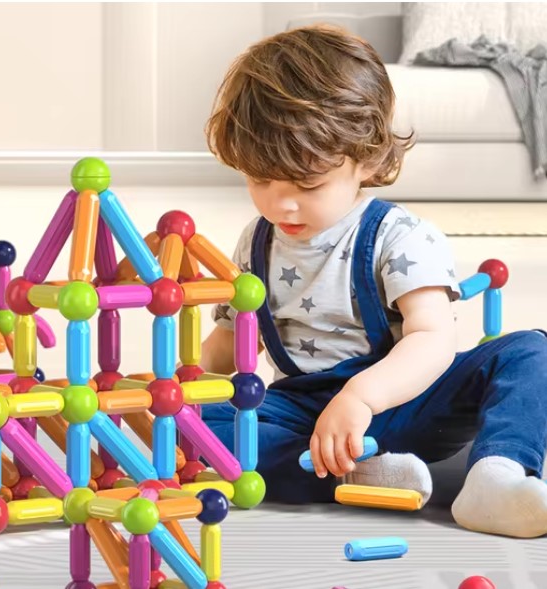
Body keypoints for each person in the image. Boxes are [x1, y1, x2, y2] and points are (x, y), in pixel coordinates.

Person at [199, 24, 547, 539]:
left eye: (307, 183)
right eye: (259, 179)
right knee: (203, 426)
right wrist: (174, 385)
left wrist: (361, 398)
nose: (280, 203)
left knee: (529, 353)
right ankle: (357, 473)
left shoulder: (399, 236)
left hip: (410, 400)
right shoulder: (256, 240)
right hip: (304, 415)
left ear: (369, 160)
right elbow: (229, 342)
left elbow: (433, 340)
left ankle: (497, 476)